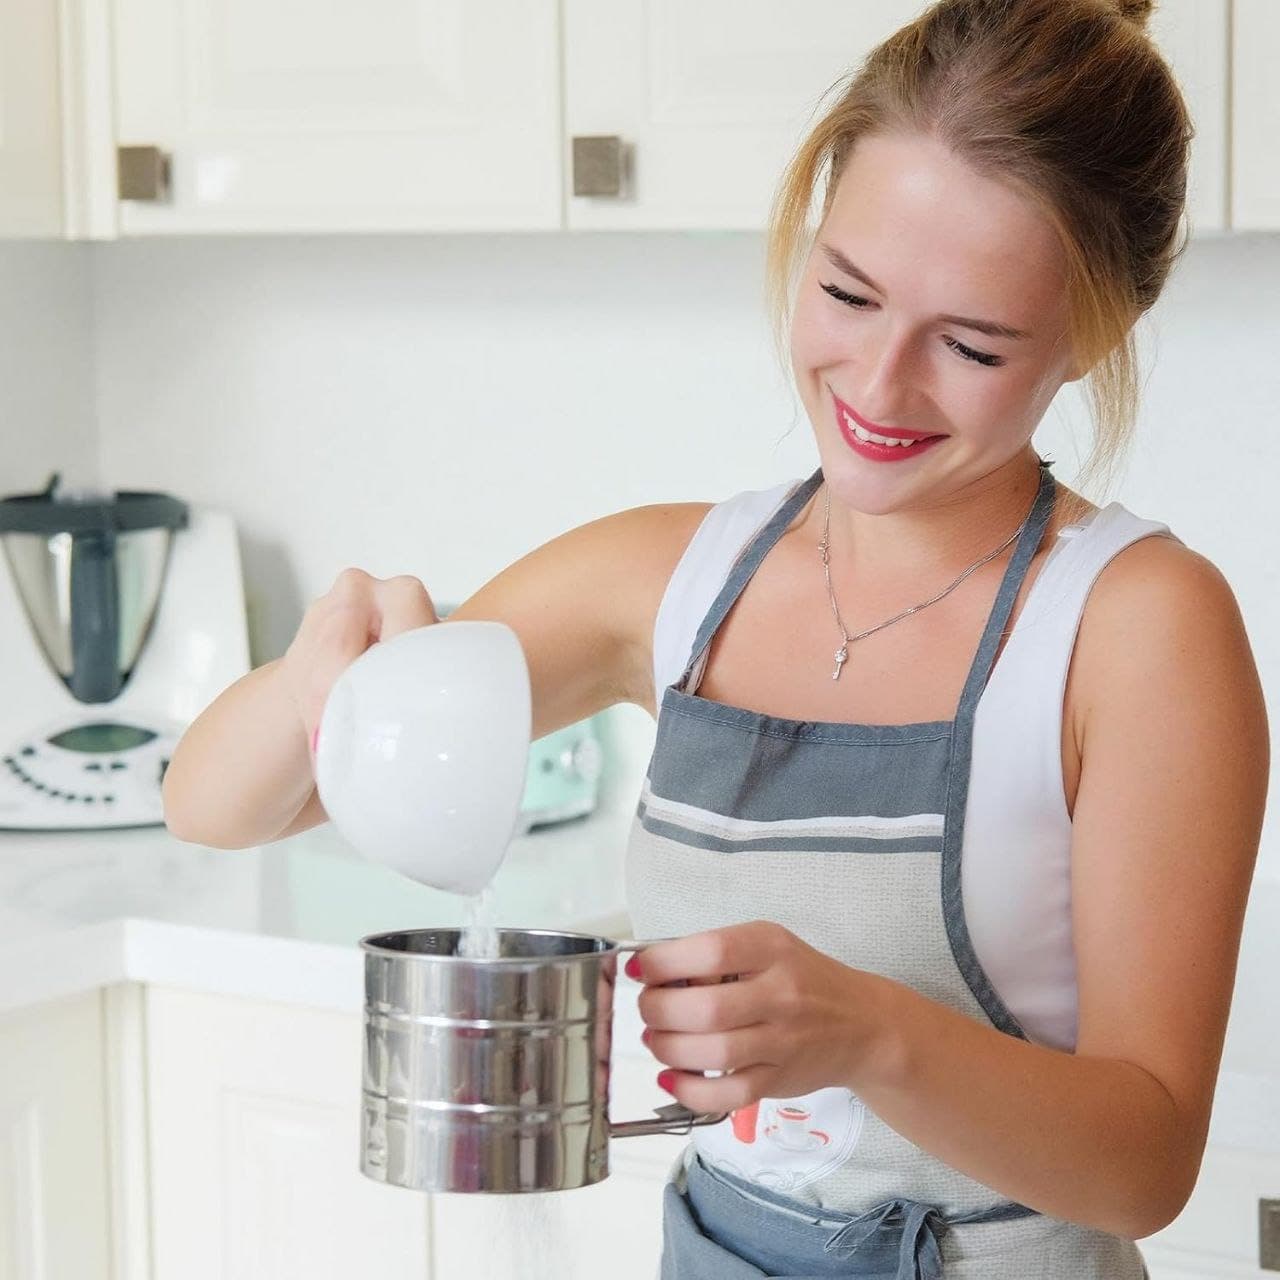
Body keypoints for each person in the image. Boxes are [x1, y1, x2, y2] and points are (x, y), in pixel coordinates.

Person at [162, 0, 1269, 1275]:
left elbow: (1145, 1165)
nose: (877, 384)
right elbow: (211, 800)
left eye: (969, 343)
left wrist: (870, 1032)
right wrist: (331, 677)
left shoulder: (1132, 624)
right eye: (845, 290)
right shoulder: (668, 579)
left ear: (1095, 333)